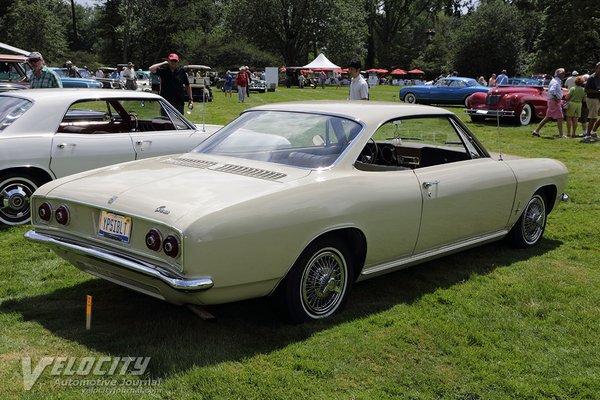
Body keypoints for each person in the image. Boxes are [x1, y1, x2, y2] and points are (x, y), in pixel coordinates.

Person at [532, 68, 566, 138]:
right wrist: (557, 98)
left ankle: (536, 131)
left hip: (552, 101)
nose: (564, 75)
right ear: (558, 74)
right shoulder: (555, 82)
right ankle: (561, 135)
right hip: (554, 101)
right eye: (563, 73)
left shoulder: (556, 81)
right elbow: (552, 91)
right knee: (560, 117)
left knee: (548, 117)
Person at [584, 62, 600, 139]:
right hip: (592, 99)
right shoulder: (591, 78)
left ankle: (593, 131)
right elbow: (586, 90)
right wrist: (597, 91)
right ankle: (587, 135)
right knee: (593, 118)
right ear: (596, 68)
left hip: (599, 98)